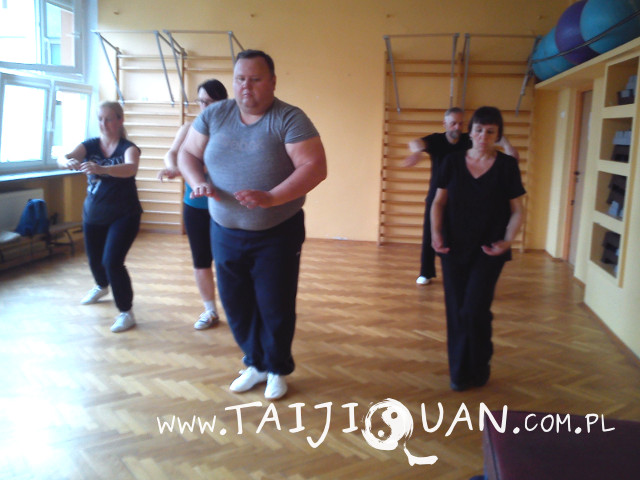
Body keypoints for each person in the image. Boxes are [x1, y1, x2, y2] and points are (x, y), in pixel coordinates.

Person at [178, 50, 327, 400]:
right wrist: (197, 181)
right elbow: (187, 154)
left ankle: (276, 368)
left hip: (277, 232)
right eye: (240, 79)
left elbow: (314, 167)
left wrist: (272, 197)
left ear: (272, 81)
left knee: (274, 304)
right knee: (236, 303)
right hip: (224, 229)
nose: (246, 86)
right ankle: (255, 362)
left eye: (255, 79)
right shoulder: (215, 114)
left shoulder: (289, 118)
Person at [430, 106, 525, 392]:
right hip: (453, 248)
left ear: (498, 135)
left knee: (474, 309)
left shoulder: (506, 166)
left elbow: (517, 210)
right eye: (479, 130)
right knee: (457, 311)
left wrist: (508, 240)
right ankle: (459, 373)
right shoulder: (452, 162)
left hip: (489, 250)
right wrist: (436, 234)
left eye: (490, 131)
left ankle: (480, 364)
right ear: (470, 132)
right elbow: (438, 203)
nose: (484, 136)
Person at [404, 107, 518, 286]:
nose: (457, 127)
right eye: (453, 123)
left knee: (459, 236)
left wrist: (508, 146)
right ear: (445, 124)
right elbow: (415, 142)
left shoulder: (469, 138)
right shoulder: (437, 140)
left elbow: (500, 141)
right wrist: (418, 152)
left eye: (460, 123)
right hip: (437, 197)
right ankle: (426, 272)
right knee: (430, 235)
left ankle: (467, 270)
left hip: (462, 199)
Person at [59, 101, 142, 333]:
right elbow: (63, 157)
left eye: (108, 119)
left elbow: (130, 168)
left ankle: (126, 312)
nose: (103, 124)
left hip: (124, 215)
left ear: (119, 120)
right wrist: (68, 161)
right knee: (95, 260)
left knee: (112, 261)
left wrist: (103, 169)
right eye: (100, 119)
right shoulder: (90, 145)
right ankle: (101, 286)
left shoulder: (128, 147)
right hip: (94, 214)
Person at [158, 79, 228, 330]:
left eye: (210, 102)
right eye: (201, 102)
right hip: (195, 206)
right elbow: (172, 153)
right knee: (201, 260)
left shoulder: (230, 129)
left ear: (222, 103)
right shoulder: (189, 128)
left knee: (228, 261)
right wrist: (173, 167)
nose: (204, 107)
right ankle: (210, 311)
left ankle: (238, 309)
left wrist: (193, 169)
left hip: (226, 207)